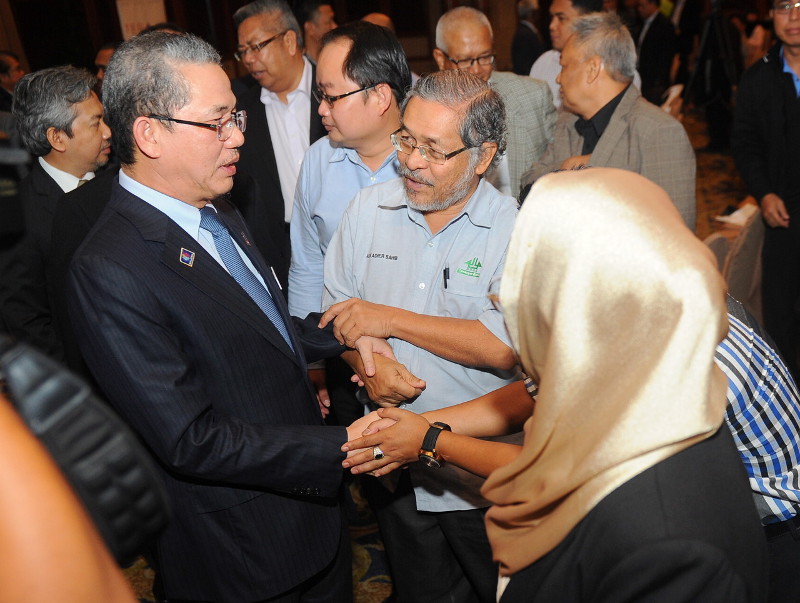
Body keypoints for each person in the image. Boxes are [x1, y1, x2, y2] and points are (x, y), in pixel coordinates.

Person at [344, 168, 770, 602]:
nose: (517, 325)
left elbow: (544, 467)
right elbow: (534, 398)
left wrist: (430, 439)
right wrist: (420, 428)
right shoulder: (638, 346)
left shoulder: (667, 545)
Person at [65, 31, 388, 603]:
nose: (238, 136)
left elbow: (258, 325)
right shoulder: (110, 267)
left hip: (314, 518)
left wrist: (341, 337)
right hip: (246, 550)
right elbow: (191, 439)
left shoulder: (217, 206)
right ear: (149, 134)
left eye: (235, 116)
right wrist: (342, 444)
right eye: (217, 123)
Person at [319, 69, 520, 603]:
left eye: (433, 149)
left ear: (482, 156)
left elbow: (503, 345)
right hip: (392, 470)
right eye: (406, 138)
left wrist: (388, 320)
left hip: (482, 477)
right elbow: (338, 314)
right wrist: (368, 364)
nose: (409, 160)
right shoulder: (368, 210)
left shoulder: (516, 230)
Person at [289, 21, 412, 421]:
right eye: (319, 96)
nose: (321, 110)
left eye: (331, 97)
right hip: (342, 357)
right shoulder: (318, 161)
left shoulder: (430, 161)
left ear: (379, 96)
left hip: (425, 358)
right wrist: (312, 360)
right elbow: (307, 264)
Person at [521, 12, 696, 229]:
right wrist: (568, 167)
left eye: (564, 66)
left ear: (593, 69)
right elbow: (527, 183)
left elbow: (677, 235)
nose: (558, 78)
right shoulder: (569, 121)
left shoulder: (658, 131)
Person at [1, 66, 111, 358]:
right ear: (57, 138)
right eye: (96, 123)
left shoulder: (118, 180)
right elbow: (27, 320)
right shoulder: (19, 215)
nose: (108, 132)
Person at [232, 0, 326, 287]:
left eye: (256, 46)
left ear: (288, 41)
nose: (248, 59)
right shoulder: (241, 112)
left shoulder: (333, 92)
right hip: (278, 252)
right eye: (243, 51)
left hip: (342, 236)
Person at [731, 0, 800, 381]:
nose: (794, 17)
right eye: (784, 6)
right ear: (771, 15)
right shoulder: (759, 78)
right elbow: (745, 143)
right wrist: (764, 192)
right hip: (783, 213)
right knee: (780, 315)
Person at [434, 6, 555, 197]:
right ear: (440, 59)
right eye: (465, 60)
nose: (476, 70)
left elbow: (559, 164)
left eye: (485, 57)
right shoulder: (427, 111)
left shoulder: (533, 95)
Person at [530, 0, 642, 108]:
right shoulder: (544, 62)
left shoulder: (619, 74)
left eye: (561, 18)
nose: (552, 26)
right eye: (552, 17)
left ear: (587, 21)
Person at [636, 0, 678, 104]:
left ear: (652, 4)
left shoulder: (665, 25)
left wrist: (659, 83)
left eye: (642, 5)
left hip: (654, 81)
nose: (639, 9)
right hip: (642, 75)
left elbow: (666, 57)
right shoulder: (641, 22)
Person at [512, 0, 545, 75]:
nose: (540, 13)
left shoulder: (529, 31)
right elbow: (522, 66)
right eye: (538, 11)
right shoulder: (523, 34)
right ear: (532, 13)